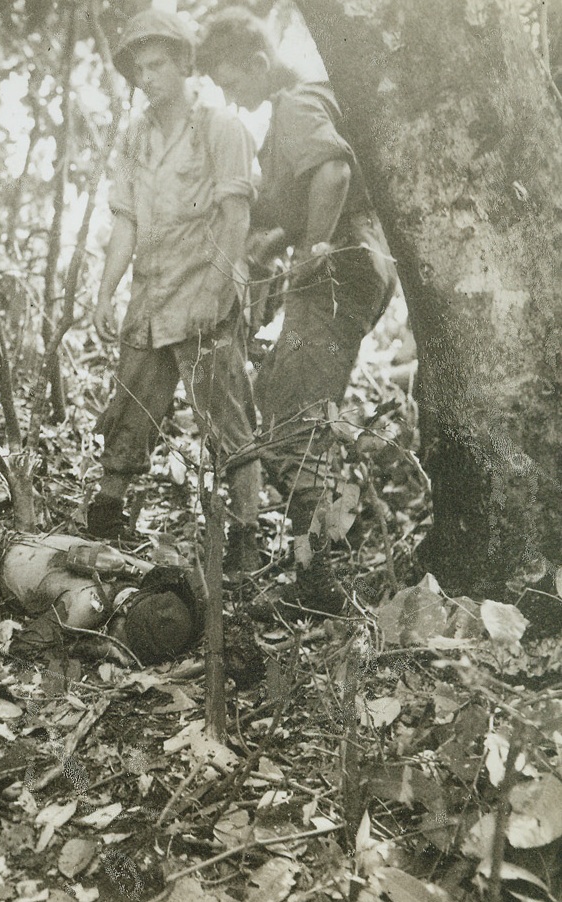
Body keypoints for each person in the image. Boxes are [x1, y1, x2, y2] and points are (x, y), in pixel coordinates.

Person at [197, 9, 398, 602]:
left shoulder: (296, 103)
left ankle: (322, 574)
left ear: (260, 64)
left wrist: (311, 250)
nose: (232, 97)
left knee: (296, 411)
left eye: (233, 82)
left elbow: (333, 172)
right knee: (288, 399)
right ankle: (319, 560)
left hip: (341, 265)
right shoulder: (297, 105)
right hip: (347, 263)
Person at [88, 7, 262, 576]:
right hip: (152, 292)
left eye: (158, 65)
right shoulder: (134, 138)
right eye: (139, 69)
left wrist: (217, 289)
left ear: (184, 64)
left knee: (225, 414)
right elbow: (126, 222)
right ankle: (109, 513)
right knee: (130, 404)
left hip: (203, 288)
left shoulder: (221, 128)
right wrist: (105, 291)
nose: (147, 79)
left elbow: (237, 215)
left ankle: (246, 534)